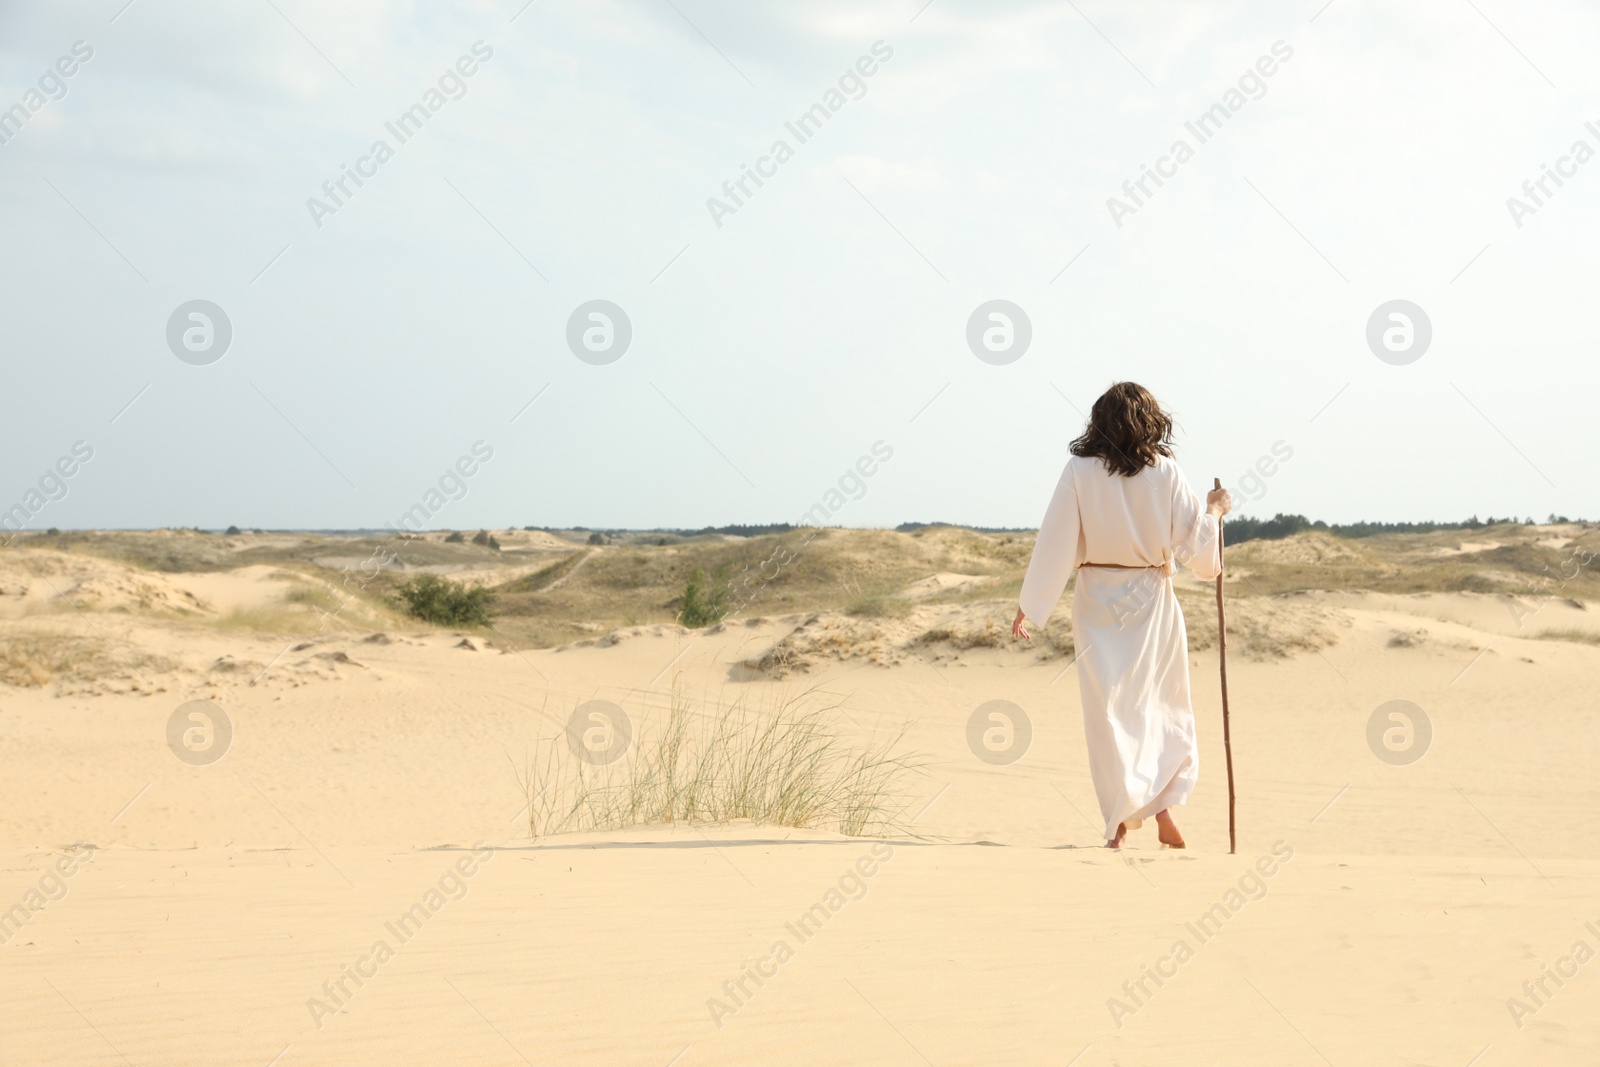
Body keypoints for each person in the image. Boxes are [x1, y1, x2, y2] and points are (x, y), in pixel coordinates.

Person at [1011, 382, 1232, 849]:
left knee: (1108, 713)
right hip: (1152, 597)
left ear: (1099, 421)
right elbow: (1199, 553)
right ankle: (1162, 809)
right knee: (1158, 705)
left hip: (1097, 600)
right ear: (1150, 419)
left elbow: (1055, 540)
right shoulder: (1165, 471)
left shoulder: (1079, 471)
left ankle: (1118, 824)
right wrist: (1214, 511)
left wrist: (1031, 605)